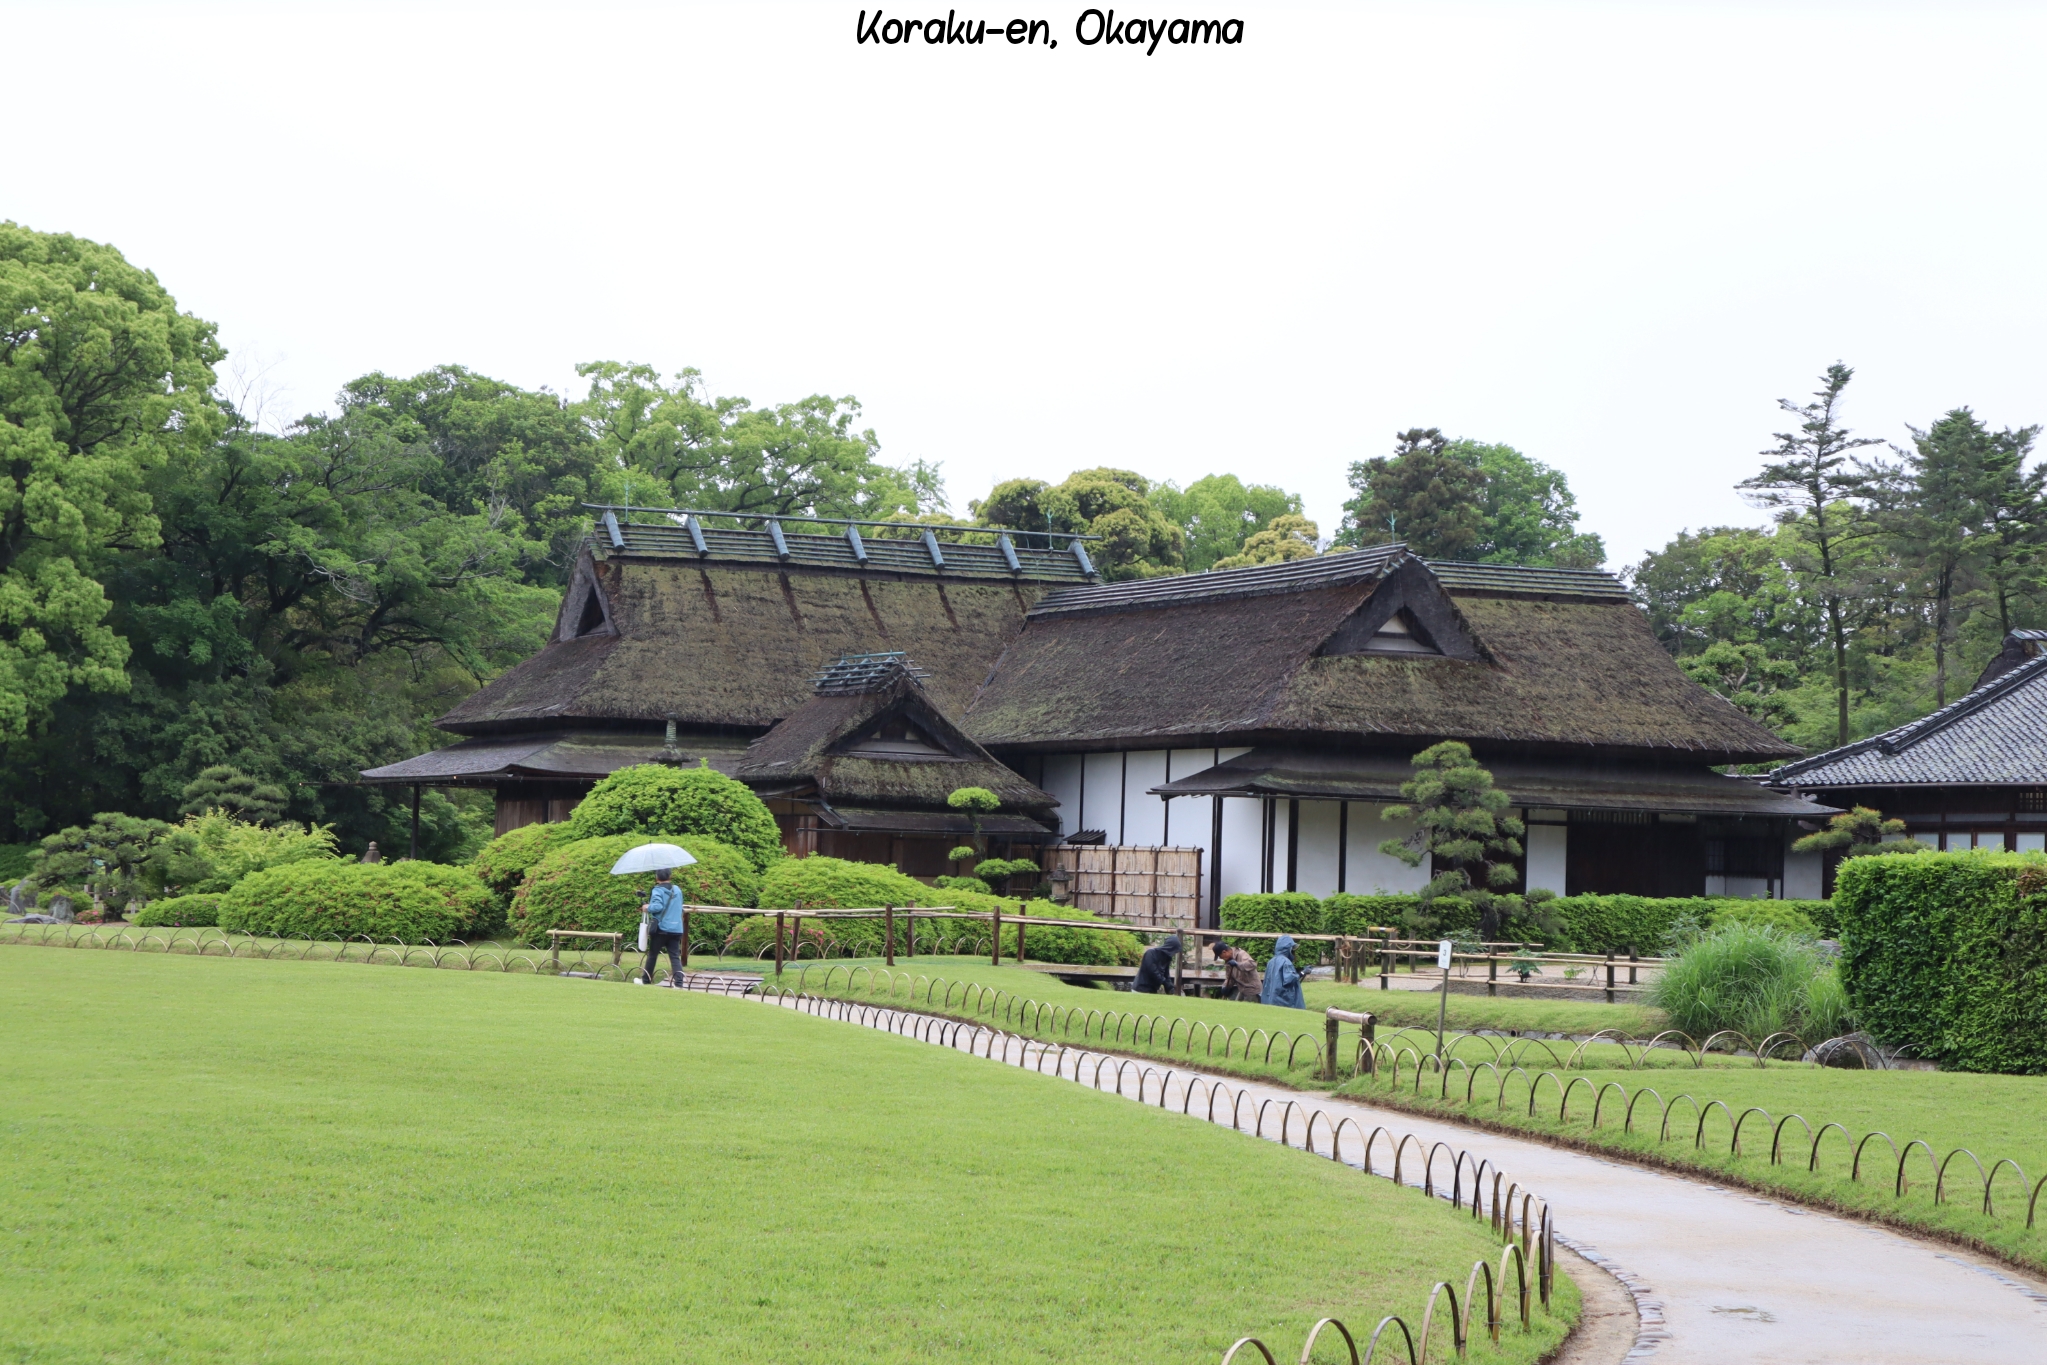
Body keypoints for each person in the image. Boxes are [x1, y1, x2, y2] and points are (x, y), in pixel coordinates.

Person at [640, 868, 686, 987]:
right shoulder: (677, 889)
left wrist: (647, 907)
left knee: (653, 955)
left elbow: (657, 907)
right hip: (676, 928)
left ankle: (646, 980)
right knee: (675, 956)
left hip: (661, 928)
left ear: (657, 877)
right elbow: (680, 907)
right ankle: (679, 983)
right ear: (670, 876)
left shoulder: (657, 890)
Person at [1260, 934, 1305, 1009]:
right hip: (1282, 1001)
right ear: (1288, 949)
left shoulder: (1271, 962)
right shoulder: (1286, 962)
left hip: (1270, 1000)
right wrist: (1302, 973)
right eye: (1292, 949)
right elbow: (1289, 979)